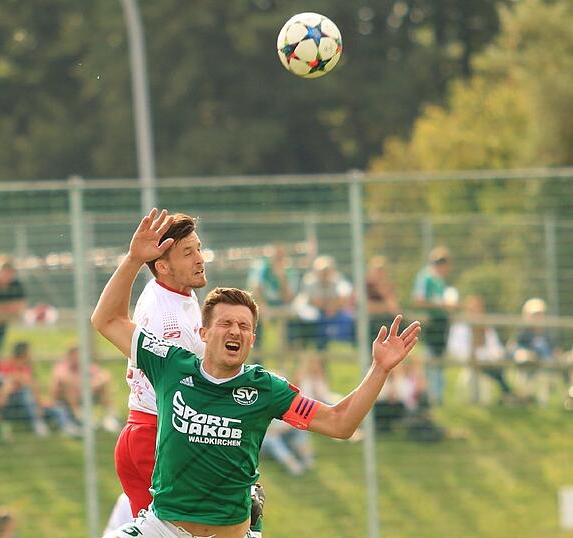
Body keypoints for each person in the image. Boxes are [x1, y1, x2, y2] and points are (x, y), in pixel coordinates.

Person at [95, 209, 420, 538]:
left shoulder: (265, 388)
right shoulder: (173, 365)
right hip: (162, 510)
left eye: (244, 326)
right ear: (203, 333)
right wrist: (134, 259)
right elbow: (106, 320)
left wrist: (380, 369)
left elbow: (340, 422)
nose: (234, 331)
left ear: (254, 339)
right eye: (224, 323)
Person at [113, 212, 208, 523]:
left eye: (198, 248)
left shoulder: (174, 292)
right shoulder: (171, 322)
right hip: (158, 437)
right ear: (163, 267)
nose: (200, 258)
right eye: (188, 252)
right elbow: (187, 398)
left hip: (141, 430)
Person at [446, 295, 515, 404]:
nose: (475, 312)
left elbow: (495, 347)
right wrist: (474, 356)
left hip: (487, 361)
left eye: (478, 309)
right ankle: (507, 393)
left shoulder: (486, 327)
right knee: (493, 370)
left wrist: (493, 356)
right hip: (470, 360)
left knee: (496, 366)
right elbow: (455, 348)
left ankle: (506, 393)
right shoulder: (460, 327)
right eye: (472, 309)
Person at [411, 246, 457, 405]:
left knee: (438, 358)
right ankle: (432, 396)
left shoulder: (439, 279)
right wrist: (442, 305)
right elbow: (419, 300)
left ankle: (437, 396)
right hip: (432, 324)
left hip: (441, 323)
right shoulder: (427, 277)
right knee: (431, 358)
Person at [50, 343, 119, 434]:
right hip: (64, 400)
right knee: (70, 389)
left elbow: (105, 376)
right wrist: (86, 386)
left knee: (103, 387)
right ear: (70, 355)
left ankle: (110, 417)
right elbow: (65, 379)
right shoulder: (62, 366)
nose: (78, 357)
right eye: (75, 355)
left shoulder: (84, 365)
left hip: (84, 394)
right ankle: (81, 418)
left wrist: (92, 385)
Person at [294, 255, 354, 350]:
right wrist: (332, 304)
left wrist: (332, 305)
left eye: (327, 271)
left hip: (332, 315)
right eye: (322, 271)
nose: (325, 274)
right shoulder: (309, 281)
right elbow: (315, 301)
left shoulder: (338, 280)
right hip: (313, 319)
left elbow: (344, 297)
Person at [510, 298, 559, 406]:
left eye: (540, 314)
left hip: (546, 367)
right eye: (535, 314)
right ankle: (525, 398)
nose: (538, 317)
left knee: (544, 375)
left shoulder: (548, 333)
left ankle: (541, 402)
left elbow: (554, 351)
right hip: (530, 366)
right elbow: (515, 348)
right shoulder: (523, 332)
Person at [0, 341, 51, 437]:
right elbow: (6, 384)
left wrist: (40, 404)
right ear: (23, 353)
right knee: (25, 392)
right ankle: (37, 422)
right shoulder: (7, 364)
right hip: (10, 400)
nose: (31, 354)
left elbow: (31, 383)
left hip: (26, 401)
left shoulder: (27, 366)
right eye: (29, 351)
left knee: (54, 407)